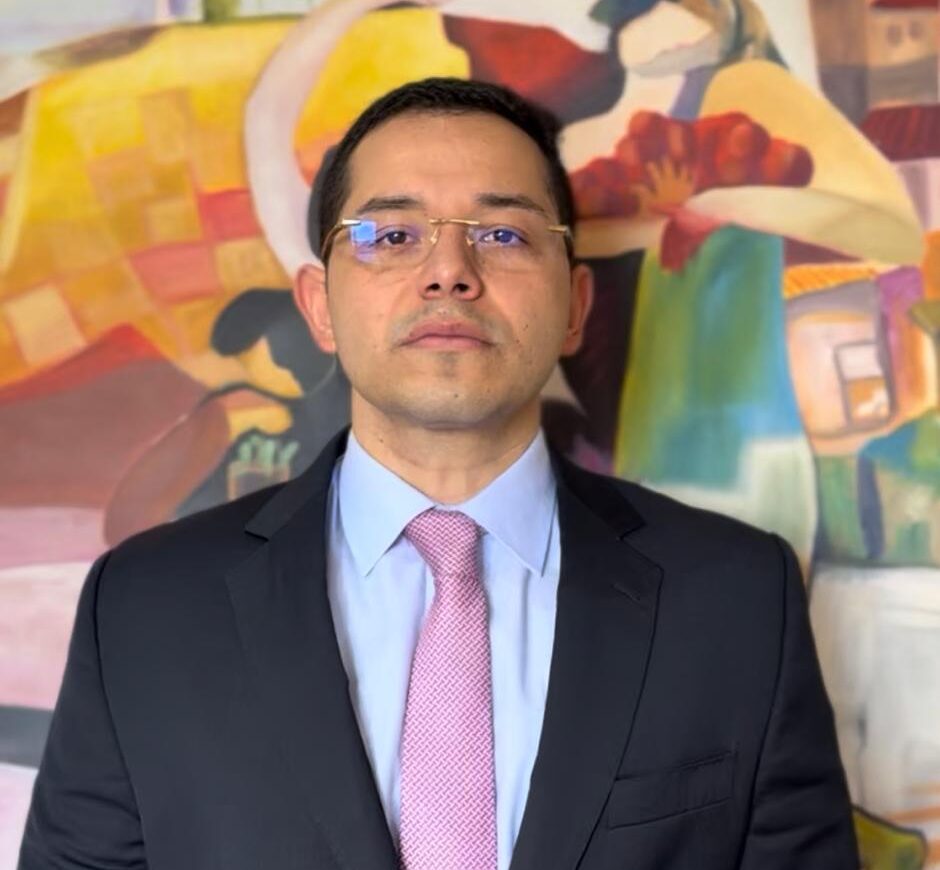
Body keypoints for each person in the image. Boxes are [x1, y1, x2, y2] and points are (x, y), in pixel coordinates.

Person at [18, 77, 858, 869]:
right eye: (392, 235)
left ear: (575, 306)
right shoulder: (145, 611)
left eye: (503, 234)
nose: (449, 271)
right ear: (318, 305)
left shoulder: (737, 598)